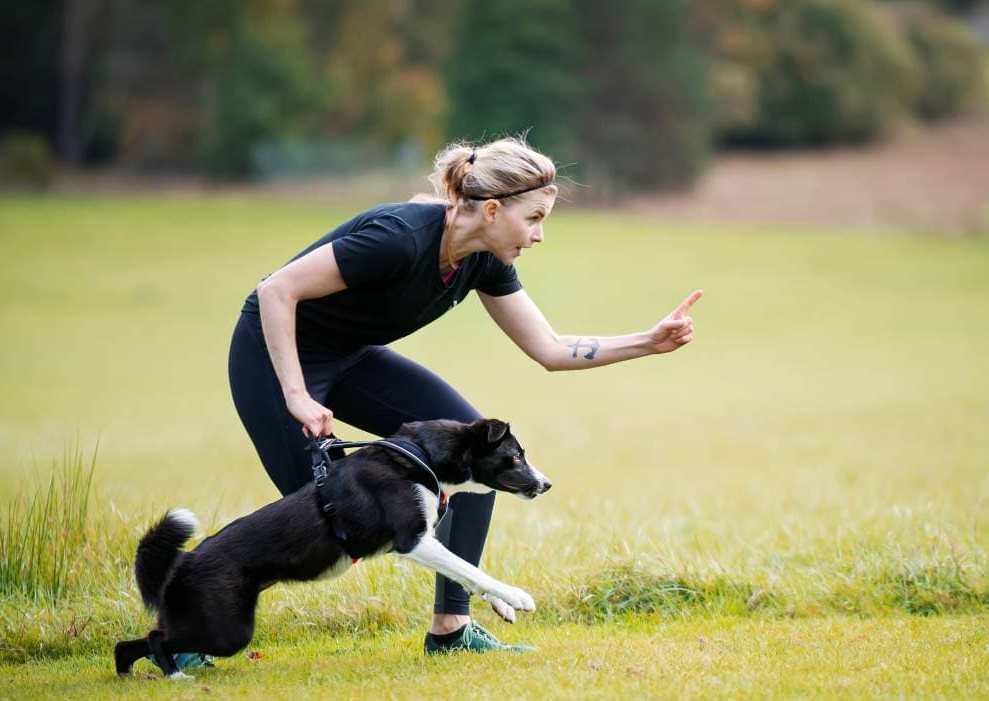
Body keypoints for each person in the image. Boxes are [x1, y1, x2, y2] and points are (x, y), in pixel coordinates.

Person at [226, 135, 702, 657]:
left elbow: (550, 348)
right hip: (274, 355)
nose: (540, 235)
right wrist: (295, 395)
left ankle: (451, 630)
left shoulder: (483, 259)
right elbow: (276, 291)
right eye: (535, 218)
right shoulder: (399, 238)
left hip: (351, 357)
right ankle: (186, 627)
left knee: (479, 452)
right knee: (325, 515)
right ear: (493, 210)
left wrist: (648, 342)